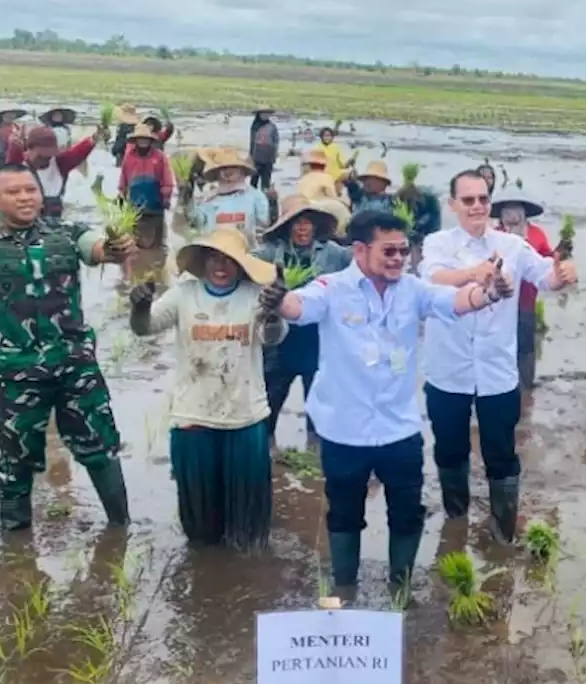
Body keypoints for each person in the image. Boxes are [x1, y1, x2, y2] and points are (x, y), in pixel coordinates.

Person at [270, 210, 511, 598]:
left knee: (407, 512)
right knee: (344, 514)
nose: (400, 258)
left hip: (399, 428)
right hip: (343, 430)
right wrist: (279, 298)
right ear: (361, 250)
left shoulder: (413, 290)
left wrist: (490, 293)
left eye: (404, 250)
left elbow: (455, 301)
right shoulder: (332, 288)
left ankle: (400, 589)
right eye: (390, 251)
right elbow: (299, 308)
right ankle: (344, 588)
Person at [0, 164, 135, 531]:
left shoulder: (65, 233)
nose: (24, 197)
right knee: (17, 460)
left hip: (74, 366)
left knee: (100, 447)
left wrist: (116, 248)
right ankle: (16, 550)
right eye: (13, 191)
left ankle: (121, 527)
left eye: (30, 190)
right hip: (15, 374)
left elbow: (96, 249)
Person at [422, 172, 576, 543]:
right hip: (448, 368)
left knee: (501, 451)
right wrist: (475, 274)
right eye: (468, 199)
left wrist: (561, 272)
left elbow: (545, 278)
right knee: (450, 447)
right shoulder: (437, 243)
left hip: (496, 370)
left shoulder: (513, 246)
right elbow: (430, 280)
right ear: (453, 204)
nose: (476, 206)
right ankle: (455, 520)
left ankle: (503, 528)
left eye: (482, 199)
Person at [129, 228, 284, 550]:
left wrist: (272, 312)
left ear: (242, 265)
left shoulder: (258, 294)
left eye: (230, 260)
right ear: (203, 260)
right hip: (193, 415)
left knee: (248, 527)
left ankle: (241, 578)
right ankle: (206, 572)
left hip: (245, 417)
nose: (221, 266)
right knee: (201, 526)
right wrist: (139, 307)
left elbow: (274, 339)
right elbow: (145, 329)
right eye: (215, 257)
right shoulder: (184, 294)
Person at [254, 196, 351, 438]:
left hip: (317, 338)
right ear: (286, 226)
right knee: (270, 399)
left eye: (307, 222)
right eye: (296, 223)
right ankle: (267, 451)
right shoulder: (268, 253)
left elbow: (362, 267)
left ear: (315, 226)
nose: (302, 228)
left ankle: (315, 451)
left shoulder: (334, 254)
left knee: (318, 401)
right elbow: (243, 266)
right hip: (280, 336)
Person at [492, 187, 555, 390]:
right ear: (500, 214)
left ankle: (526, 385)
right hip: (500, 304)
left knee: (526, 344)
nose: (512, 215)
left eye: (516, 209)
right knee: (501, 345)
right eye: (507, 210)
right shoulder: (493, 236)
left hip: (527, 300)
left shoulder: (537, 234)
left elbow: (549, 261)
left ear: (524, 212)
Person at [3, 125, 96, 220]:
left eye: (49, 155)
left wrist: (94, 139)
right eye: (41, 155)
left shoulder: (59, 164)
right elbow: (8, 172)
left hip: (53, 226)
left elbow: (77, 154)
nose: (46, 159)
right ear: (30, 149)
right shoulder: (20, 164)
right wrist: (15, 146)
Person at [188, 149, 272, 247]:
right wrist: (186, 197)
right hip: (216, 250)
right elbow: (195, 223)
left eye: (233, 167)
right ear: (217, 173)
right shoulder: (208, 199)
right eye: (224, 168)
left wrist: (273, 204)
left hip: (247, 251)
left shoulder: (256, 196)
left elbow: (265, 226)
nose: (228, 171)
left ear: (241, 171)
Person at [117, 125, 175, 251]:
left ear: (150, 141)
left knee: (157, 242)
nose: (143, 142)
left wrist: (166, 196)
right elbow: (124, 176)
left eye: (145, 139)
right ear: (136, 140)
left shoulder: (159, 157)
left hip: (155, 203)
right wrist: (122, 192)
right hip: (135, 204)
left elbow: (167, 178)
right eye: (140, 139)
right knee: (135, 241)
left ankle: (156, 261)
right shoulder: (129, 156)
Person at [249, 107, 280, 190]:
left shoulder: (272, 127)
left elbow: (276, 142)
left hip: (268, 157)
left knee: (266, 182)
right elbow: (252, 142)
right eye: (263, 114)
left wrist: (275, 154)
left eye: (267, 114)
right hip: (257, 157)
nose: (266, 115)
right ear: (259, 115)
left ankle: (266, 198)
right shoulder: (254, 127)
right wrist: (250, 157)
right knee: (253, 181)